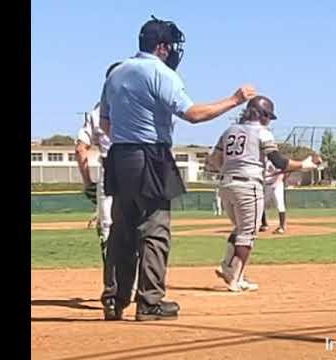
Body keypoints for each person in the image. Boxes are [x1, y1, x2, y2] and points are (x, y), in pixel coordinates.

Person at [99, 15, 257, 321]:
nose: (172, 52)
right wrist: (235, 99)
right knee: (155, 229)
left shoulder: (116, 73)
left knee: (122, 231)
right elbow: (193, 114)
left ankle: (115, 300)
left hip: (119, 156)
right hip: (151, 155)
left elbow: (106, 123)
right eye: (170, 46)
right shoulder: (160, 73)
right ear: (161, 47)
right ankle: (150, 302)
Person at [206, 96, 321, 292]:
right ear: (262, 115)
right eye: (268, 116)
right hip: (248, 186)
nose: (269, 120)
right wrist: (304, 165)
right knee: (248, 233)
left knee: (240, 228)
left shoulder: (229, 131)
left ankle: (228, 267)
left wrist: (232, 169)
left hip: (226, 185)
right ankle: (236, 278)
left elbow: (214, 160)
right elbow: (279, 162)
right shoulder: (262, 133)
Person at [75, 62, 140, 320]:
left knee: (109, 233)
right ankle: (140, 291)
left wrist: (87, 182)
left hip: (108, 170)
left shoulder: (96, 111)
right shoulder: (138, 106)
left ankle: (112, 296)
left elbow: (81, 149)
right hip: (138, 169)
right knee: (142, 229)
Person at [260, 160, 287, 234]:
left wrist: (276, 183)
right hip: (266, 185)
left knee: (280, 204)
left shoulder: (275, 160)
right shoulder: (262, 161)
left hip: (276, 185)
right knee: (261, 204)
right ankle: (264, 224)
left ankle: (282, 226)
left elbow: (281, 173)